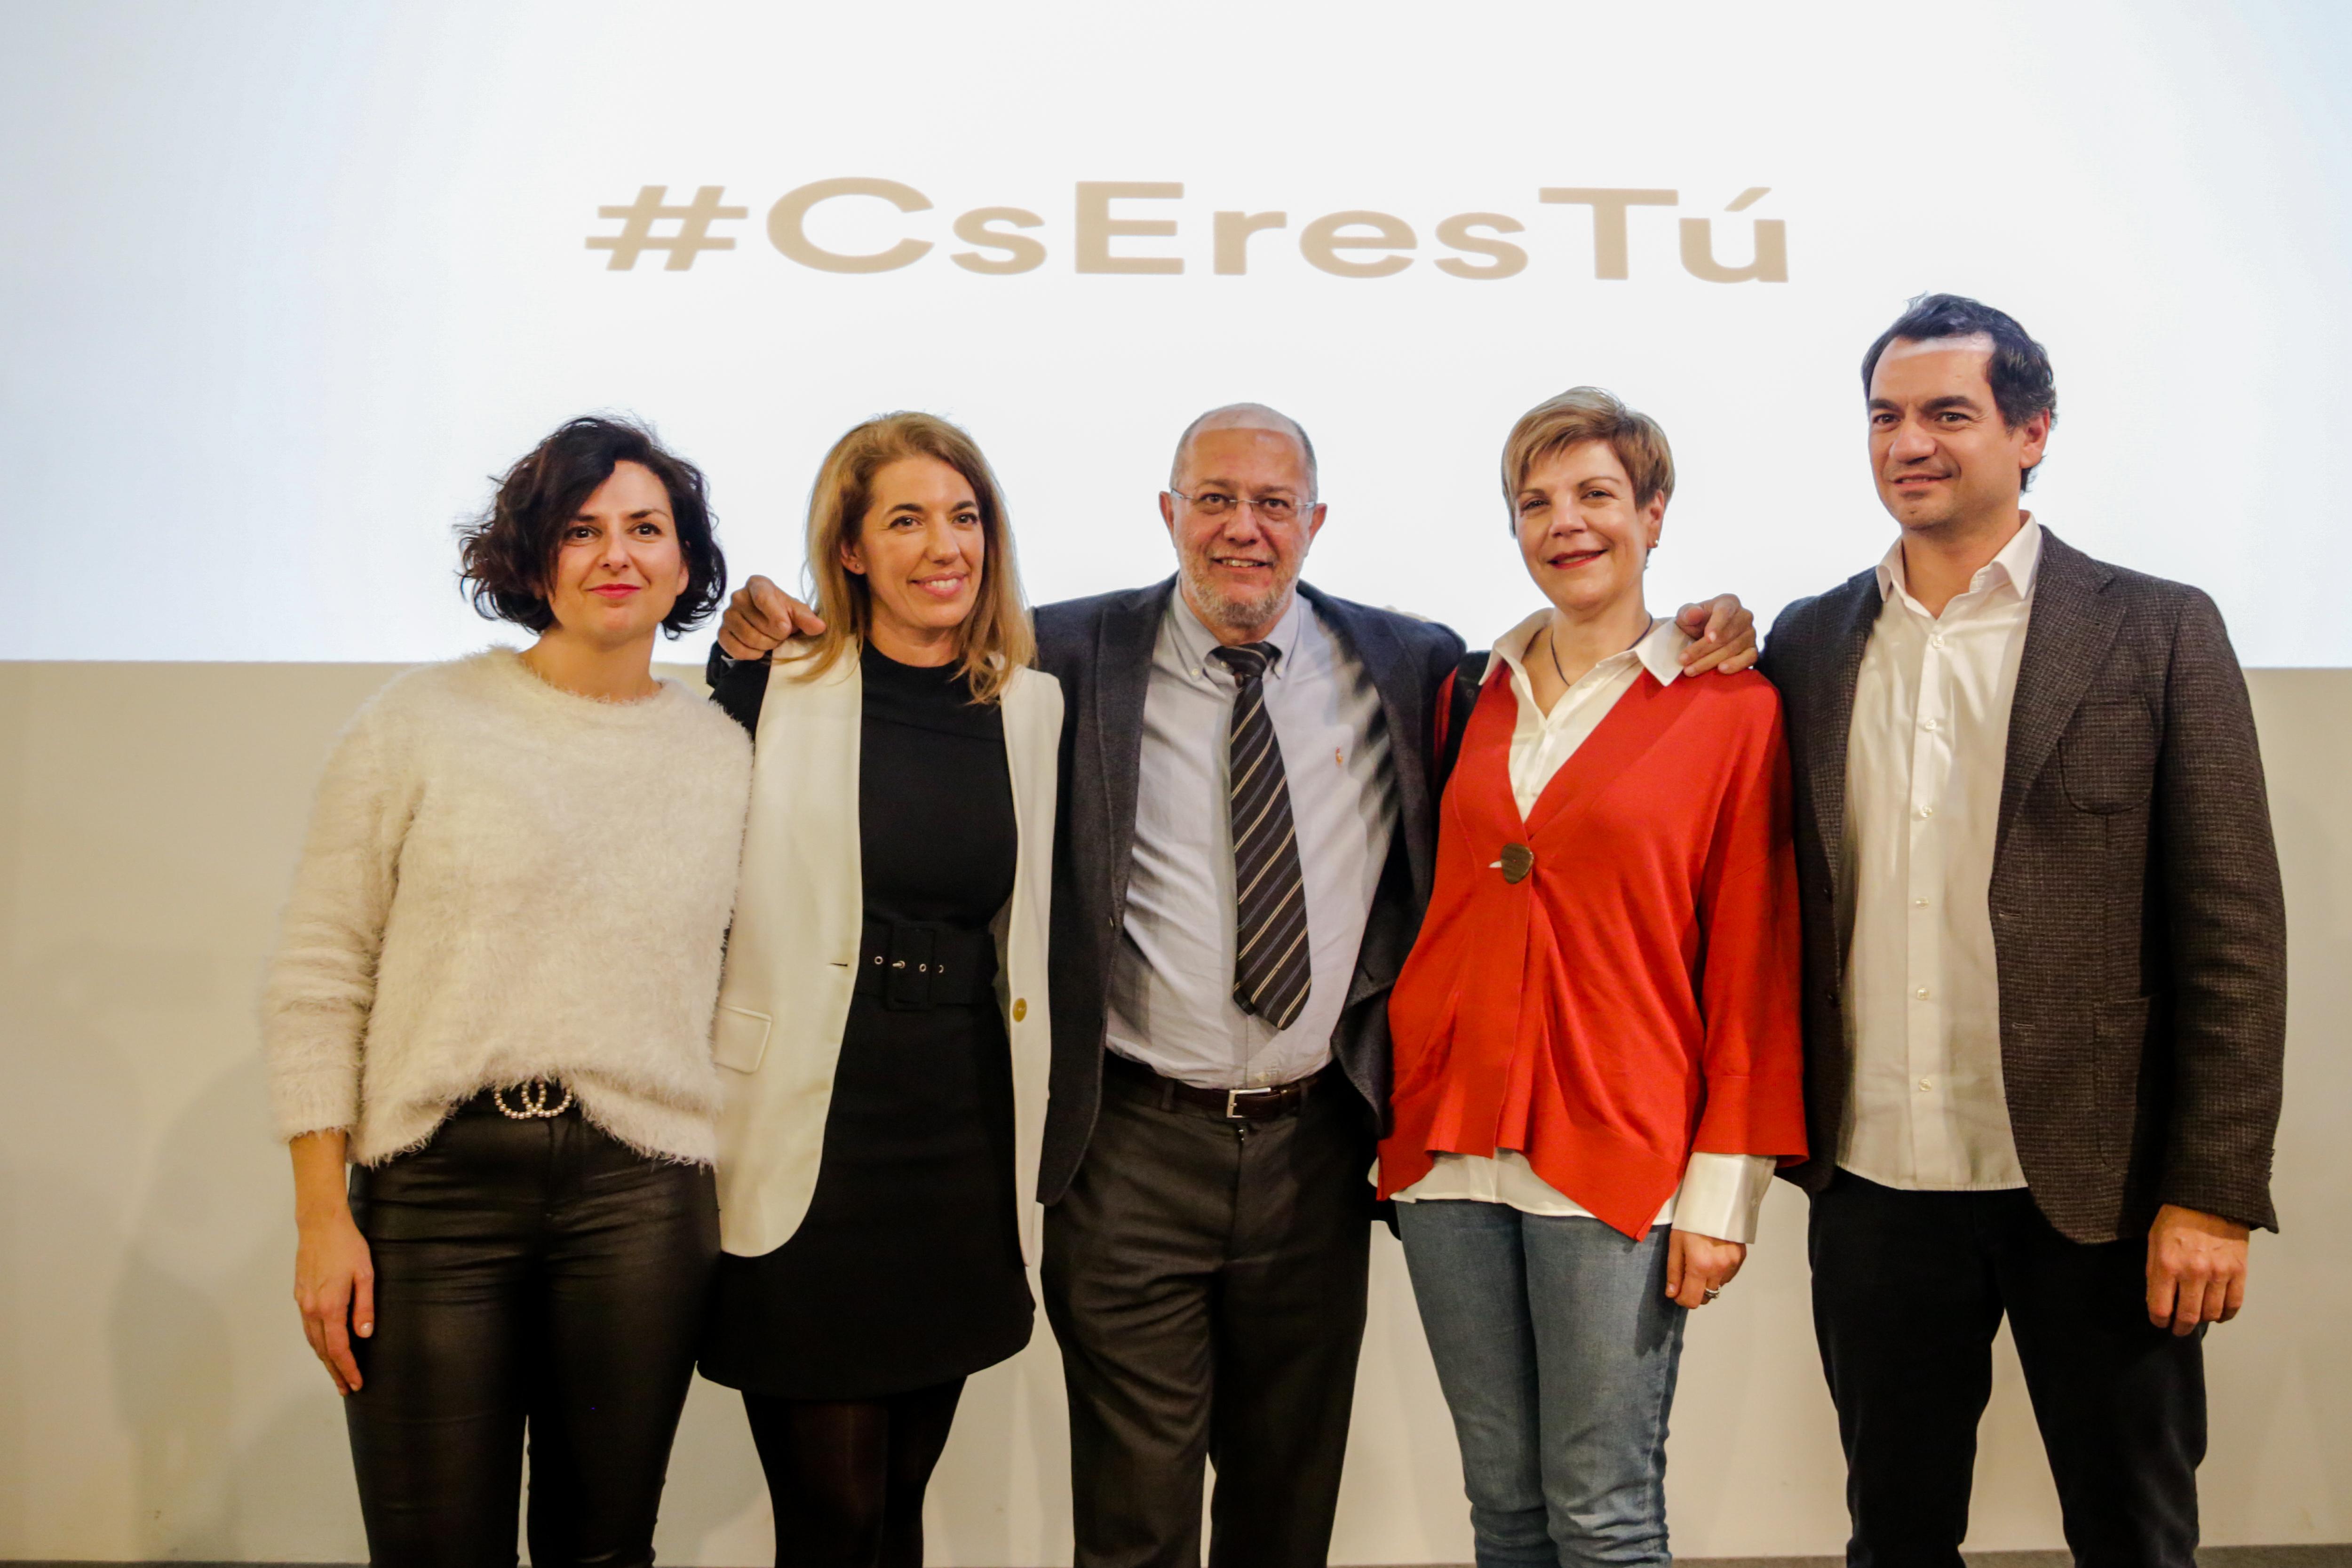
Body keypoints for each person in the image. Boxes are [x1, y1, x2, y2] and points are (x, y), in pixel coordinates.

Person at [718, 403, 1761, 1568]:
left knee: (1287, 1496)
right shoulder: (1063, 654)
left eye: (1273, 504)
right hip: (1128, 1143)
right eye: (1213, 500)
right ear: (1169, 515)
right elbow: (901, 670)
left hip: (1314, 1146)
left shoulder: (1414, 662)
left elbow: (1593, 686)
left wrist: (1706, 624)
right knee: (1134, 1511)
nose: (1243, 530)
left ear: (1315, 522)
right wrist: (764, 628)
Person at [1758, 294, 2287, 1566]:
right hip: (1877, 1179)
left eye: (1949, 413)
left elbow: (2233, 927)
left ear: (2033, 432)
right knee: (1895, 1531)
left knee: (2134, 1530)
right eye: (1886, 416)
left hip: (2099, 1190)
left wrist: (2211, 1189)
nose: (1910, 443)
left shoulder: (2156, 627)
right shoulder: (1811, 639)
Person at [262, 416, 753, 1568]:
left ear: (687, 563)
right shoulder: (417, 723)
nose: (616, 554)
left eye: (647, 527)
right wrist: (320, 1214)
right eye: (581, 530)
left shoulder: (725, 755)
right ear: (532, 560)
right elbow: (320, 972)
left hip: (642, 1195)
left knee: (604, 1546)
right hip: (434, 1193)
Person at [1377, 388, 1806, 1566]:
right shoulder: (1471, 692)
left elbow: (1754, 956)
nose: (1566, 522)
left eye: (1596, 495)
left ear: (1654, 515)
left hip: (1618, 1153)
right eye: (1536, 501)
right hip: (1449, 1148)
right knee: (1504, 1509)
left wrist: (1725, 1189)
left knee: (1604, 1512)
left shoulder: (1732, 704)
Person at [695, 412, 1063, 1568]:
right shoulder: (774, 683)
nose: (942, 544)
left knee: (898, 1500)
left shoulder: (1032, 709)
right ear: (848, 550)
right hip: (809, 1131)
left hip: (956, 1135)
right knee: (833, 1516)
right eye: (903, 519)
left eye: (963, 517)